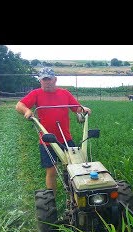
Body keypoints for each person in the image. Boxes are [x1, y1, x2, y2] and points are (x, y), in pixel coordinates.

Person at [16, 67, 92, 198]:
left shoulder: (64, 93)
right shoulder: (36, 94)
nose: (47, 82)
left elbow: (76, 109)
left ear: (55, 79)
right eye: (43, 80)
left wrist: (84, 109)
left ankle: (77, 195)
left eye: (49, 79)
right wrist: (27, 111)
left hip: (65, 138)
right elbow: (19, 105)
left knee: (75, 167)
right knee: (51, 170)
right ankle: (52, 199)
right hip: (47, 139)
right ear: (40, 81)